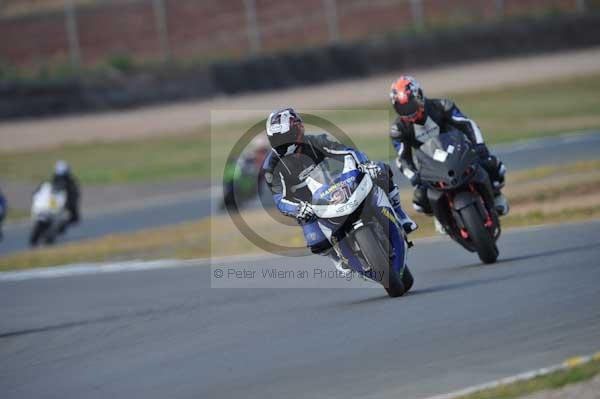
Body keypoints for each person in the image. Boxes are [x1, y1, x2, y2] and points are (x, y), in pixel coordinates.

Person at [262, 107, 416, 273]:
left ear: (297, 130)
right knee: (316, 241)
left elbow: (347, 152)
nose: (280, 142)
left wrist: (364, 164)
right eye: (275, 138)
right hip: (309, 207)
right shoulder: (271, 167)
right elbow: (280, 199)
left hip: (335, 188)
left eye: (284, 136)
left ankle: (400, 214)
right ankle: (336, 257)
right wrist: (299, 209)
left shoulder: (315, 142)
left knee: (381, 170)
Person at [388, 76, 509, 231]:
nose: (408, 112)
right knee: (420, 200)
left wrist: (480, 146)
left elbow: (467, 124)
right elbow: (402, 158)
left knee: (491, 164)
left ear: (419, 97)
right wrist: (414, 176)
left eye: (410, 106)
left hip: (458, 152)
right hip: (430, 166)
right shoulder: (398, 129)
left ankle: (496, 194)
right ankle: (441, 216)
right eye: (402, 108)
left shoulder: (442, 106)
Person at [51, 160, 81, 233]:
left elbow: (75, 193)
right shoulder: (55, 179)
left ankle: (60, 227)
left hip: (65, 203)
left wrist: (72, 202)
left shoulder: (70, 181)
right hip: (54, 202)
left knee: (75, 218)